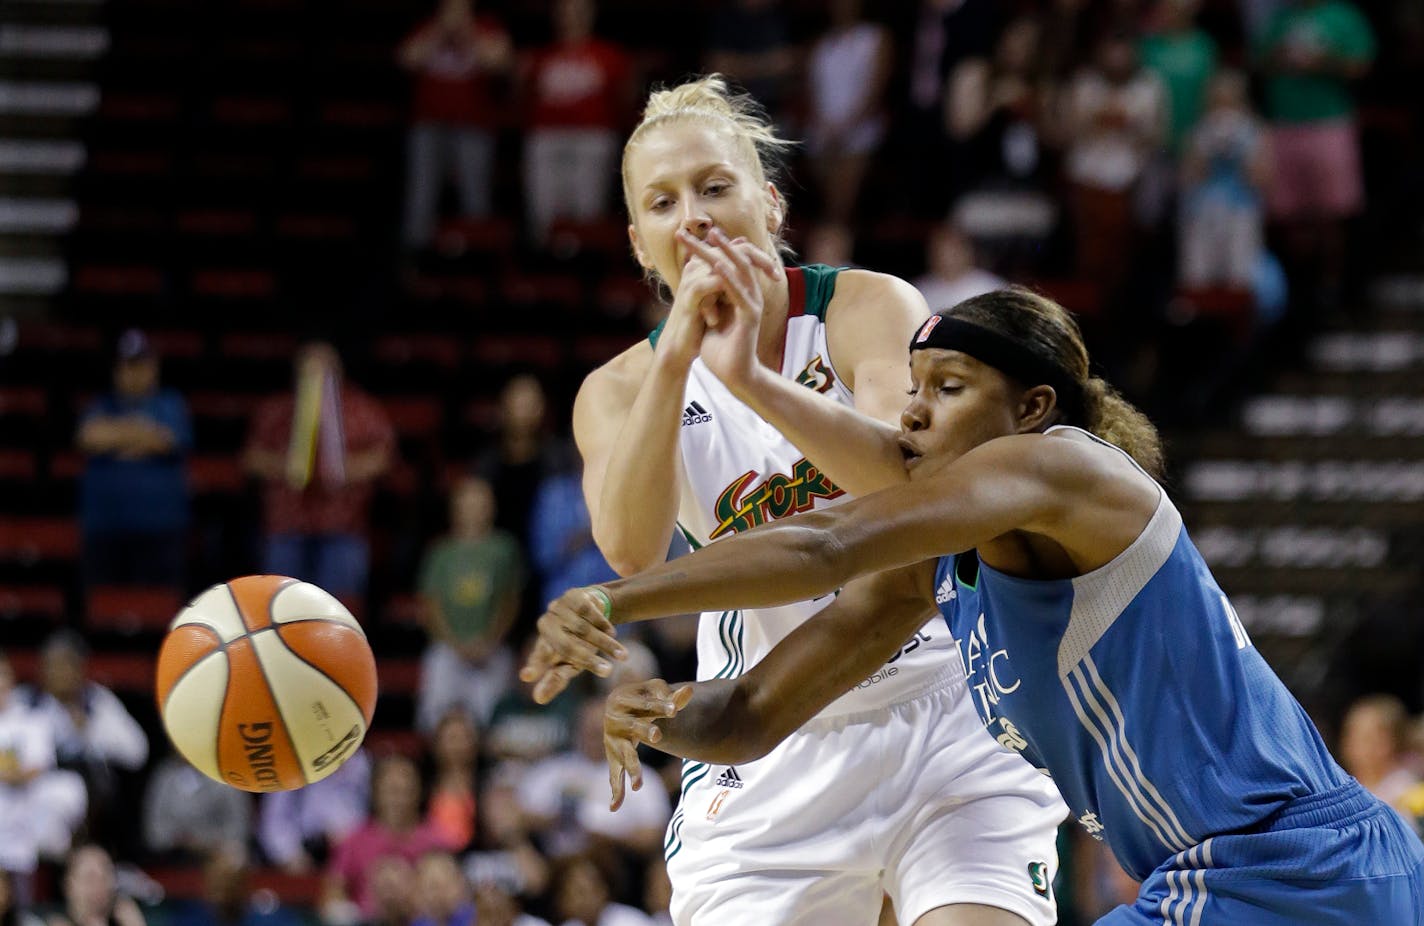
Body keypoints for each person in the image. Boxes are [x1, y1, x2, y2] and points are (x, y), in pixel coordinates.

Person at [525, 283, 1424, 924]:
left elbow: (825, 540)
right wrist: (663, 716)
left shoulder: (1067, 467)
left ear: (1032, 407)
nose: (910, 415)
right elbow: (756, 711)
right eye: (911, 390)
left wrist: (613, 596)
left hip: (1280, 867)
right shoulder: (947, 568)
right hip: (1243, 877)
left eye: (947, 390)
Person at [570, 74, 1064, 925]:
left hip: (943, 702)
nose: (692, 214)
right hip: (768, 733)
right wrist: (682, 355)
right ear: (638, 243)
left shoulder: (867, 306)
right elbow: (630, 551)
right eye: (662, 202)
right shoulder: (615, 391)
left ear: (768, 205)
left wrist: (753, 381)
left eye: (715, 187)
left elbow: (911, 487)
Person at [243, 341, 396, 605]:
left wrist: (341, 469)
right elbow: (251, 458)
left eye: (325, 370)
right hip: (287, 525)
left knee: (339, 608)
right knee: (282, 606)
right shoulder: (278, 410)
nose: (317, 377)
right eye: (309, 370)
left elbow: (384, 456)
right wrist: (288, 466)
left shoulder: (361, 409)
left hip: (343, 524)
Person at [75, 328, 192, 591]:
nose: (134, 373)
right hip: (106, 527)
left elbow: (165, 440)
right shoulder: (100, 404)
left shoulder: (170, 404)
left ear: (154, 367)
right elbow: (90, 437)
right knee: (103, 609)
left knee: (160, 609)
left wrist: (116, 437)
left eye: (141, 365)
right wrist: (143, 434)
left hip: (160, 528)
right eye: (128, 366)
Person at [398, 0, 513, 250]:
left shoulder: (486, 27)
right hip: (428, 126)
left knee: (475, 195)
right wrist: (441, 31)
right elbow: (407, 58)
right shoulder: (427, 28)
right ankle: (415, 258)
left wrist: (465, 31)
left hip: (473, 126)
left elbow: (499, 62)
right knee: (421, 194)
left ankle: (476, 254)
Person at [520, 0, 634, 243]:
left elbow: (626, 98)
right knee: (543, 209)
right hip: (546, 137)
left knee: (587, 207)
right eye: (565, 13)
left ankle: (584, 263)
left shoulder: (608, 55)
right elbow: (522, 97)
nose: (571, 18)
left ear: (590, 16)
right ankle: (544, 263)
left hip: (592, 137)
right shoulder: (541, 56)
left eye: (578, 12)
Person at [415, 475, 523, 731]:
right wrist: (456, 645)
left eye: (480, 502)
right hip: (449, 649)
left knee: (493, 715)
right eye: (468, 502)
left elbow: (510, 601)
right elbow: (430, 606)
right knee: (436, 702)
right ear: (455, 507)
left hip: (491, 649)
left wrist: (489, 641)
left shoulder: (503, 548)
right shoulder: (441, 553)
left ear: (491, 507)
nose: (474, 508)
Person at [46, 845, 146, 926]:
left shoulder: (125, 918)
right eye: (90, 878)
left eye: (105, 876)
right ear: (68, 885)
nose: (99, 885)